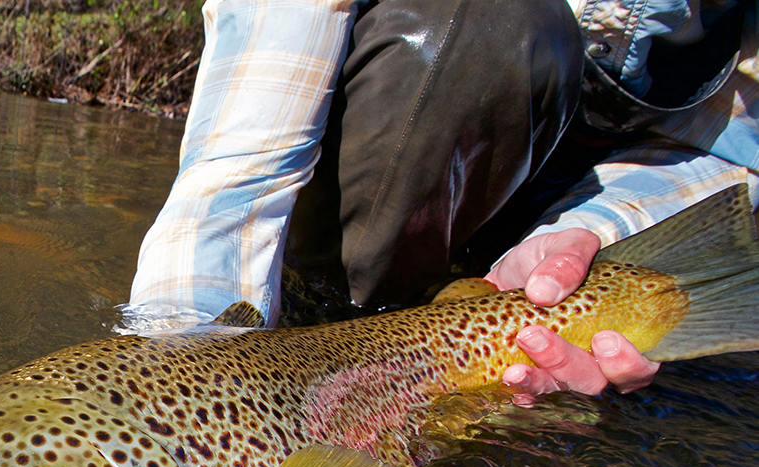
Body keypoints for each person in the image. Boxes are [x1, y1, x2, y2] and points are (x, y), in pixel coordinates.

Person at [123, 0, 758, 398]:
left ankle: (439, 364)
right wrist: (182, 363)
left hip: (573, 205)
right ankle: (331, 328)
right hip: (374, 160)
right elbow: (238, 173)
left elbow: (735, 151)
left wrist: (591, 234)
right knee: (484, 20)